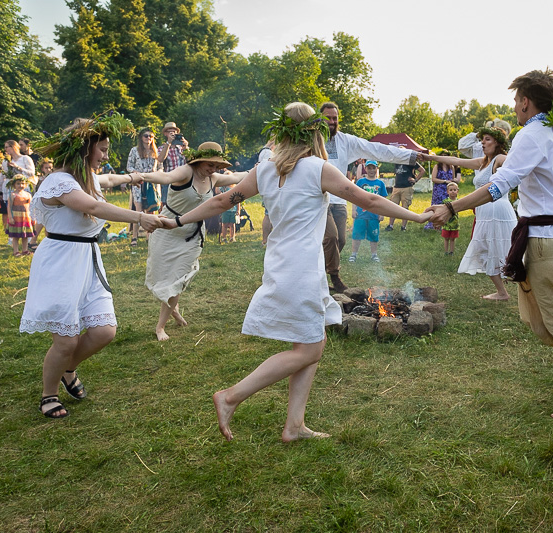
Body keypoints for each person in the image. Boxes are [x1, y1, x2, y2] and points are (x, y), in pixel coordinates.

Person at [160, 102, 430, 441]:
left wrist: (178, 219)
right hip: (300, 268)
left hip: (285, 263)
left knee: (308, 343)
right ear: (314, 132)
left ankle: (294, 426)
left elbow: (220, 201)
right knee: (311, 349)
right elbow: (370, 201)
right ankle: (230, 397)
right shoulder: (318, 167)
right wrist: (418, 217)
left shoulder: (264, 169)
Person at [426, 69, 553, 421]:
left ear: (526, 102)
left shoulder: (531, 135)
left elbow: (500, 185)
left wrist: (451, 208)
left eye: (515, 100)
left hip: (547, 240)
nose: (514, 106)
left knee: (552, 320)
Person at [20, 113, 163, 419]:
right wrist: (140, 217)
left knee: (104, 331)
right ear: (85, 150)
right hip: (60, 261)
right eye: (103, 149)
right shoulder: (58, 181)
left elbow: (108, 181)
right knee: (66, 338)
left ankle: (68, 368)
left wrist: (133, 177)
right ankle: (49, 394)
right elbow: (93, 206)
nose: (106, 155)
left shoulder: (86, 179)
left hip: (87, 260)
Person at [130, 142, 245, 341]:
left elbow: (237, 177)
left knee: (179, 278)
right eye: (210, 165)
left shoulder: (214, 178)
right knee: (163, 277)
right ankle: (173, 308)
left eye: (217, 167)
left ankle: (160, 327)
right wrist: (142, 176)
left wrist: (263, 168)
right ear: (199, 161)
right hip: (166, 229)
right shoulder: (186, 172)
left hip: (192, 234)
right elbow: (165, 177)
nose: (213, 170)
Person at [319, 101, 420, 292]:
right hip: (318, 200)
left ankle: (317, 273)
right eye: (328, 118)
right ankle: (334, 275)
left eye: (335, 118)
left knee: (340, 240)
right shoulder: (311, 141)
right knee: (330, 238)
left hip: (339, 199)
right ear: (320, 118)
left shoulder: (345, 141)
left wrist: (409, 157)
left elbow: (375, 148)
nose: (332, 121)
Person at [423, 127, 513, 300]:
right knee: (485, 249)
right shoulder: (483, 162)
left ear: (498, 143)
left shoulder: (500, 158)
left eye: (487, 139)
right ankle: (502, 292)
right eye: (482, 139)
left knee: (503, 250)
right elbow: (455, 160)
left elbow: (514, 167)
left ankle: (518, 289)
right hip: (484, 212)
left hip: (498, 210)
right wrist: (431, 157)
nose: (482, 143)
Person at [127, 127, 163, 246]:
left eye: (151, 136)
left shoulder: (155, 151)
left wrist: (158, 174)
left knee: (151, 211)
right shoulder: (134, 150)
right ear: (141, 138)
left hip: (152, 184)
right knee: (138, 211)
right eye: (146, 136)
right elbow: (129, 167)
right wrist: (137, 173)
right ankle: (134, 237)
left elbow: (160, 167)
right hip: (139, 183)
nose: (148, 138)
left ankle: (150, 236)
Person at [349, 160, 387, 263]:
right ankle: (354, 254)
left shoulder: (380, 183)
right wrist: (353, 210)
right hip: (360, 214)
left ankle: (374, 255)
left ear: (376, 169)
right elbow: (354, 197)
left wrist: (382, 213)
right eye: (369, 168)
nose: (371, 170)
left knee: (374, 236)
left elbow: (383, 201)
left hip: (374, 215)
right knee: (356, 235)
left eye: (373, 168)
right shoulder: (360, 182)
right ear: (365, 169)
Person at [0, 140, 36, 235]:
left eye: (7, 147)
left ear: (14, 147)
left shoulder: (25, 158)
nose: (6, 149)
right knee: (10, 210)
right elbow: (2, 175)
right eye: (5, 147)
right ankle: (12, 235)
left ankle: (28, 233)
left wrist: (18, 167)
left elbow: (32, 173)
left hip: (23, 187)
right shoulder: (6, 161)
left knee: (25, 210)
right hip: (9, 187)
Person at [424, 150, 460, 230]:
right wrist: (444, 181)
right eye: (442, 155)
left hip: (449, 190)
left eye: (446, 156)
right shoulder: (437, 166)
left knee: (448, 205)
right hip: (439, 189)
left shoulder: (451, 167)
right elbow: (433, 179)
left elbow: (453, 178)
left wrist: (452, 182)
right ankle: (435, 225)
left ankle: (448, 223)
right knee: (438, 206)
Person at [386, 161, 425, 231]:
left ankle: (403, 227)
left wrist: (415, 180)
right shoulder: (396, 160)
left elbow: (422, 170)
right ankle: (390, 225)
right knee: (393, 206)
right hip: (397, 187)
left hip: (407, 187)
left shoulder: (411, 161)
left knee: (405, 207)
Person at [156, 121, 189, 205]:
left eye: (174, 132)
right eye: (170, 132)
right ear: (165, 134)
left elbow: (191, 161)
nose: (172, 133)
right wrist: (168, 143)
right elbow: (161, 159)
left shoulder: (181, 148)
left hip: (183, 180)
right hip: (169, 181)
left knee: (183, 204)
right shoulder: (162, 148)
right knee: (167, 205)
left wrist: (186, 147)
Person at [7, 176, 35, 256]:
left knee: (25, 235)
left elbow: (31, 206)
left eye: (22, 183)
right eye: (18, 184)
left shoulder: (28, 195)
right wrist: (10, 217)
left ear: (26, 184)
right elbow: (9, 206)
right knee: (15, 236)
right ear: (14, 185)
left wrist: (33, 217)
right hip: (16, 217)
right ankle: (16, 251)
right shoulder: (13, 195)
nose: (20, 185)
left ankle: (25, 250)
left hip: (26, 217)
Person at [441, 182, 460, 255]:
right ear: (447, 191)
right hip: (447, 224)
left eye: (454, 190)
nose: (453, 191)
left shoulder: (458, 201)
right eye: (451, 190)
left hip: (455, 224)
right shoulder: (445, 201)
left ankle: (451, 251)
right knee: (446, 238)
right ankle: (446, 251)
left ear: (457, 191)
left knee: (452, 238)